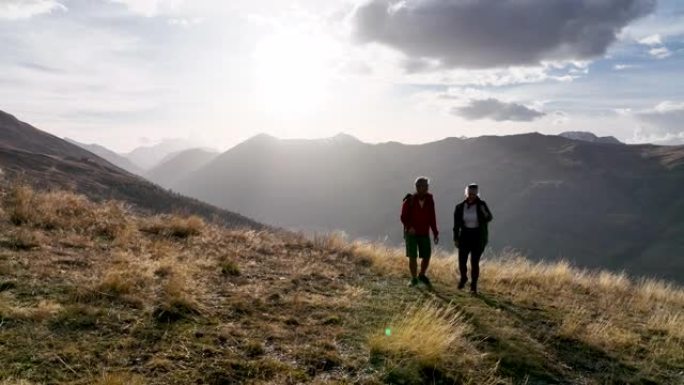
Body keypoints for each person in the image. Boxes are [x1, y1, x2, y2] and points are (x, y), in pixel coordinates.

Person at [453, 183, 493, 294]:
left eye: (474, 194)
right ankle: (463, 278)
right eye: (470, 194)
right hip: (465, 235)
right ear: (466, 194)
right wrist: (455, 238)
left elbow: (489, 217)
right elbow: (456, 225)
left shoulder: (481, 204)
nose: (472, 196)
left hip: (477, 236)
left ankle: (473, 286)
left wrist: (483, 210)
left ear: (477, 194)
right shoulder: (460, 207)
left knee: (474, 262)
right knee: (462, 260)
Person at [401, 177, 439, 287]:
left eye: (426, 186)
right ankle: (413, 279)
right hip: (411, 233)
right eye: (422, 186)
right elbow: (403, 217)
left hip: (424, 232)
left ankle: (422, 275)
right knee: (412, 256)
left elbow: (432, 217)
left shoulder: (430, 200)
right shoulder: (409, 200)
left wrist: (435, 232)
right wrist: (409, 227)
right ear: (417, 187)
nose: (425, 188)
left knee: (426, 255)